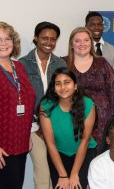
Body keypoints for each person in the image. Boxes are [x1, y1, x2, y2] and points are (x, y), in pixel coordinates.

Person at [19, 21, 66, 189]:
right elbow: (22, 98)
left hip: (57, 125)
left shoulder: (60, 64)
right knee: (43, 173)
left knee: (58, 172)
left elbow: (64, 95)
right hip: (33, 127)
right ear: (36, 38)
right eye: (45, 38)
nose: (49, 43)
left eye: (53, 39)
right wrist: (39, 123)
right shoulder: (23, 64)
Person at [39, 67, 96, 189]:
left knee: (78, 185)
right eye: (58, 84)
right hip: (58, 154)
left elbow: (85, 141)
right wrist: (63, 175)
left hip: (84, 152)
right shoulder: (46, 106)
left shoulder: (88, 104)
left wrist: (75, 173)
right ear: (54, 88)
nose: (63, 87)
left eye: (67, 82)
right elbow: (50, 144)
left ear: (75, 86)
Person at [64, 27, 114, 149]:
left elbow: (113, 91)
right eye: (77, 41)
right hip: (73, 120)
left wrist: (113, 121)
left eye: (86, 40)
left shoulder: (102, 62)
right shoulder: (64, 63)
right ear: (71, 44)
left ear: (91, 43)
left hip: (103, 121)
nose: (82, 44)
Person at [0, 22, 35, 189]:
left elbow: (26, 102)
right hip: (2, 146)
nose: (3, 43)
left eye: (7, 38)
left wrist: (27, 133)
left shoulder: (19, 67)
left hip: (20, 142)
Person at [85, 11, 114, 77]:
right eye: (93, 25)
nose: (97, 27)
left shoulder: (113, 50)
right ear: (86, 27)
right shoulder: (81, 49)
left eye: (99, 24)